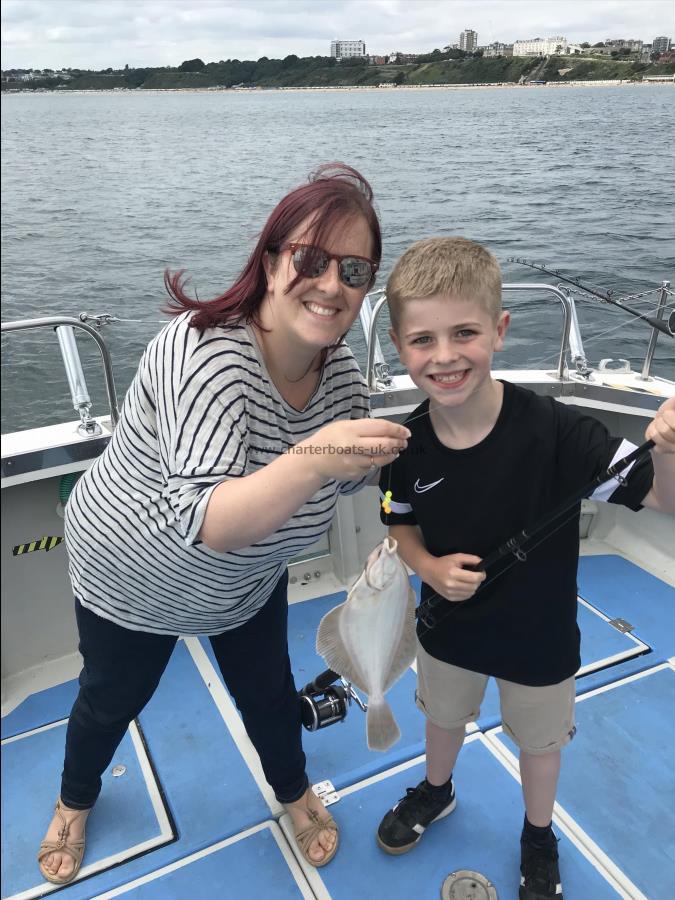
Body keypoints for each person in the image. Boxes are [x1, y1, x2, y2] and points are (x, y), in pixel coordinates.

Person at [37, 163, 411, 885]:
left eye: (355, 268)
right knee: (111, 698)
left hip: (243, 582)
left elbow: (359, 467)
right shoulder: (204, 351)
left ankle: (293, 792)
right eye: (310, 258)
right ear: (271, 260)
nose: (331, 284)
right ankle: (74, 800)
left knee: (268, 693)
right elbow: (209, 520)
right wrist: (317, 453)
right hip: (133, 573)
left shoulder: (338, 378)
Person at [374, 237, 675, 899]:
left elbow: (658, 498)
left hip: (537, 635)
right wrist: (426, 565)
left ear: (499, 331)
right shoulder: (405, 443)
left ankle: (537, 833)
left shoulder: (558, 431)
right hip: (447, 627)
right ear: (399, 345)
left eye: (464, 333)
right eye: (422, 340)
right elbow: (397, 522)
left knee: (540, 744)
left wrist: (667, 447)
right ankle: (435, 788)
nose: (444, 356)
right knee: (441, 717)